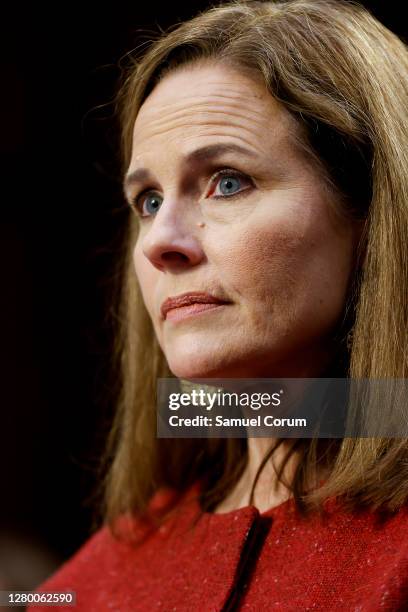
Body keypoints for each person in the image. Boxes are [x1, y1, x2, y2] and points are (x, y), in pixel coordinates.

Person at [30, 0, 408, 609]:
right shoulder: (97, 576)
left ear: (373, 217)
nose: (159, 242)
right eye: (148, 200)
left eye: (226, 182)